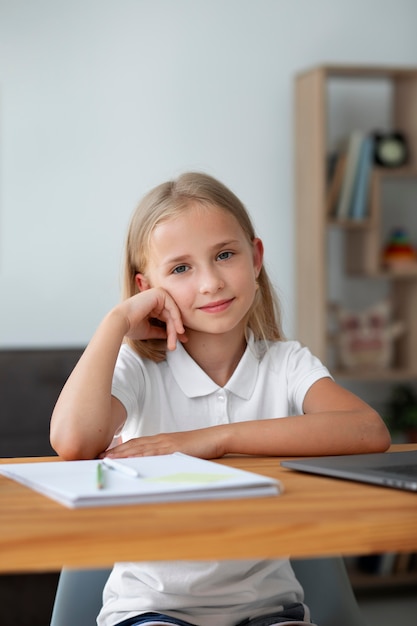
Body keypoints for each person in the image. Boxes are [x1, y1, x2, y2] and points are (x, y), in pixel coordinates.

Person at [50, 172, 390, 626]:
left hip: (270, 611)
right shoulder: (140, 368)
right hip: (152, 611)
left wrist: (212, 439)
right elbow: (72, 442)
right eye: (180, 268)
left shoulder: (286, 362)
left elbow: (368, 429)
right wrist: (116, 321)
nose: (210, 282)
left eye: (225, 255)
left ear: (256, 258)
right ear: (146, 287)